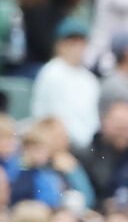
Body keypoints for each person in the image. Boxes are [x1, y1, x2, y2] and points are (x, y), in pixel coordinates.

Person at [33, 20, 102, 148]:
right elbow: (54, 116)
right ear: (60, 45)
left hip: (87, 144)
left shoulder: (90, 79)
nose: (76, 48)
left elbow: (94, 119)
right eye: (71, 43)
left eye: (80, 43)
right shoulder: (51, 72)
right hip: (57, 142)